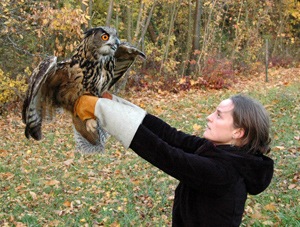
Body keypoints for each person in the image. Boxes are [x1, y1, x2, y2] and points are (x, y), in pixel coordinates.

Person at [74, 92, 274, 226]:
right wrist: (117, 105)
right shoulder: (219, 150)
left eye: (219, 116)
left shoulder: (224, 174)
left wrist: (102, 110)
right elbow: (170, 135)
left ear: (238, 132)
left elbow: (165, 155)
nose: (209, 117)